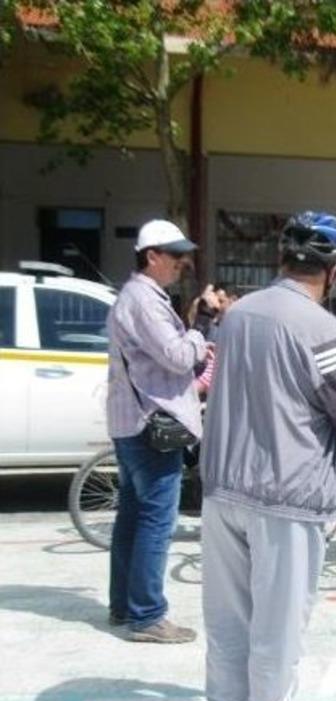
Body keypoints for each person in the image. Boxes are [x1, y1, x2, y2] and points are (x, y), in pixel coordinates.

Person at [200, 211, 336, 701]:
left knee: (228, 621)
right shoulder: (326, 329)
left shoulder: (236, 317)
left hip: (222, 488)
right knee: (277, 626)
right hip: (289, 493)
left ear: (282, 259)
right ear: (333, 270)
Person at [106, 219, 216, 643]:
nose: (182, 263)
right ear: (151, 256)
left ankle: (124, 605)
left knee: (132, 517)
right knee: (156, 520)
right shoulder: (145, 300)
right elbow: (176, 356)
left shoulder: (139, 296)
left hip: (134, 421)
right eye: (175, 256)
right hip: (152, 422)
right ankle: (148, 615)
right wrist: (199, 328)